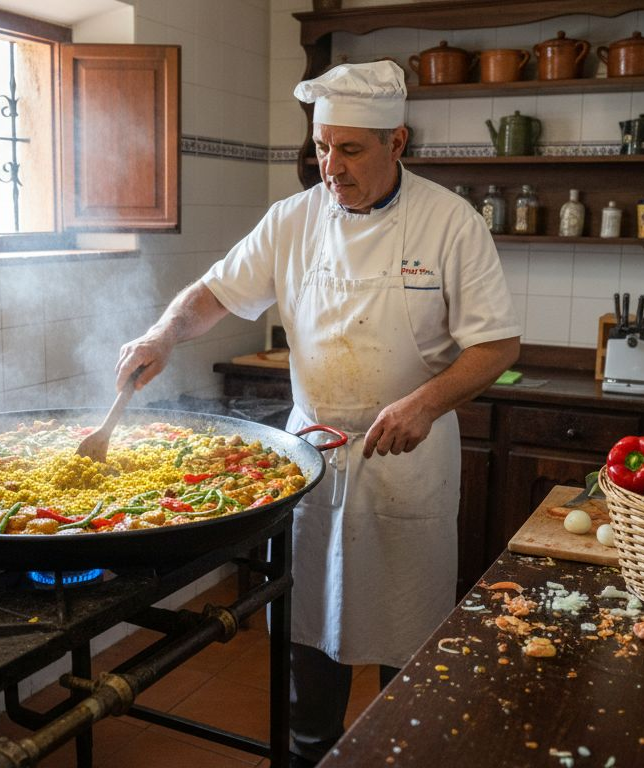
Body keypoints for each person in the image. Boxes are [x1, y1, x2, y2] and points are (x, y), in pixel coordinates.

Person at [114, 60, 522, 765]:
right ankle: (310, 750)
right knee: (310, 623)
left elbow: (497, 344)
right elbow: (213, 294)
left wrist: (426, 402)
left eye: (351, 149)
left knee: (412, 626)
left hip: (408, 454)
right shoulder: (292, 220)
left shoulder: (450, 222)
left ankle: (410, 749)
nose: (331, 166)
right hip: (313, 450)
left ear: (398, 142)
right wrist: (162, 333)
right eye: (323, 147)